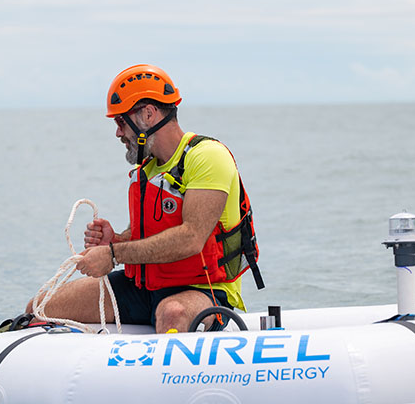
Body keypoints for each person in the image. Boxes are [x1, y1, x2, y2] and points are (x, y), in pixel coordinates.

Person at [24, 64, 262, 333]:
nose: (117, 132)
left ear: (148, 114)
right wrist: (116, 239)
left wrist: (113, 254)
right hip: (143, 288)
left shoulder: (207, 157)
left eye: (121, 122)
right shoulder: (146, 169)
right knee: (39, 306)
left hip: (203, 290)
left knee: (173, 314)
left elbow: (191, 238)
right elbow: (150, 239)